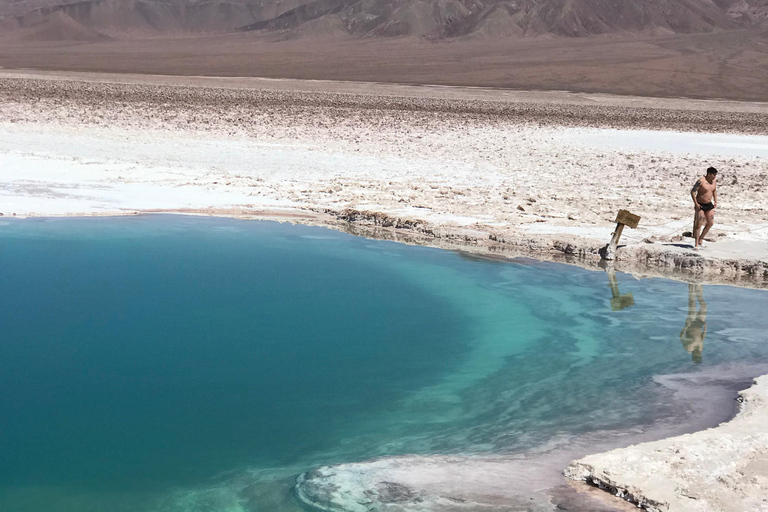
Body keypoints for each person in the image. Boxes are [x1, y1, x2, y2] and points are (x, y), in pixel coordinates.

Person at [690, 167, 718, 249]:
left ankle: (701, 239)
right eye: (714, 175)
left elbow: (714, 190)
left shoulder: (714, 181)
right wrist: (695, 203)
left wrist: (715, 200)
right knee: (699, 224)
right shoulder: (701, 181)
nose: (715, 177)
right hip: (700, 205)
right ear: (709, 174)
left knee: (710, 223)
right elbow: (693, 191)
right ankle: (696, 244)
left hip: (709, 204)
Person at [680, 283, 707, 364]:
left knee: (692, 303)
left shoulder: (688, 348)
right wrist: (705, 328)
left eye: (698, 355)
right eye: (700, 355)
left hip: (690, 324)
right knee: (704, 306)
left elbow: (681, 337)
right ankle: (699, 287)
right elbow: (702, 338)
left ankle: (691, 285)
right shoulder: (700, 348)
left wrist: (686, 326)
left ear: (694, 355)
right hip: (700, 324)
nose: (699, 353)